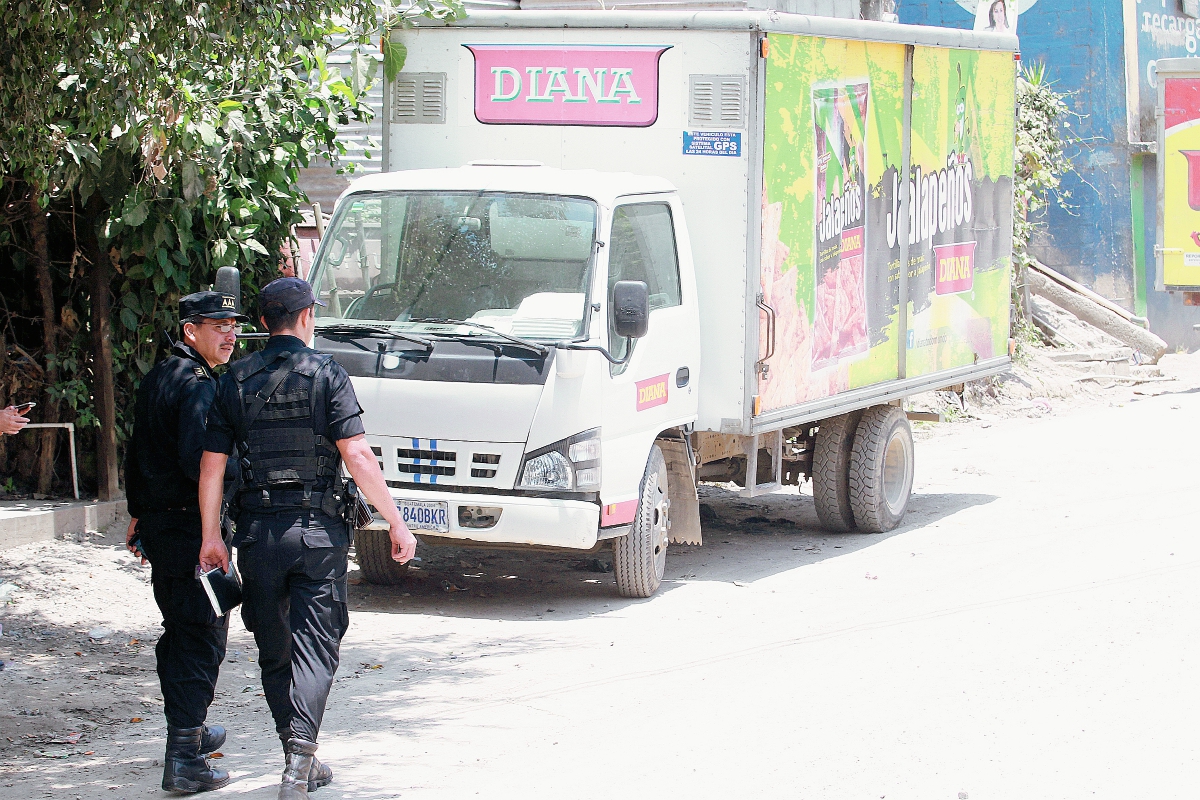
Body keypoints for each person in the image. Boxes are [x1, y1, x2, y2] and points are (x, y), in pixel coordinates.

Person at [198, 277, 415, 800]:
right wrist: (396, 521)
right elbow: (358, 456)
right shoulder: (327, 373)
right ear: (307, 315)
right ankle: (300, 758)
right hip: (318, 535)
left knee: (275, 649)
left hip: (257, 536)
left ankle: (298, 756)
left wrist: (211, 537)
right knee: (316, 646)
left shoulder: (233, 379)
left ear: (263, 323)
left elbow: (211, 466)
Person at [124, 290, 247, 793]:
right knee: (201, 635)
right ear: (190, 330)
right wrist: (212, 533)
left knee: (181, 630)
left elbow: (137, 453)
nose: (229, 333)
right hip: (193, 533)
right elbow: (204, 467)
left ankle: (190, 734)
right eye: (217, 325)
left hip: (165, 528)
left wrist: (138, 515)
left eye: (233, 324)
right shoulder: (198, 387)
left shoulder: (162, 375)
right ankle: (183, 758)